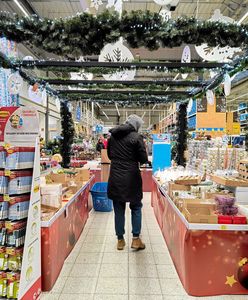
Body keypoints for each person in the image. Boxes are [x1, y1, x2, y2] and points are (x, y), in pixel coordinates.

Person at [107, 114, 149, 251]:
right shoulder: (137, 138)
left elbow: (110, 155)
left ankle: (120, 240)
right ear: (136, 125)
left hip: (116, 175)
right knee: (136, 207)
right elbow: (143, 159)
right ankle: (136, 239)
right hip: (132, 177)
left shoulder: (112, 137)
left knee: (118, 209)